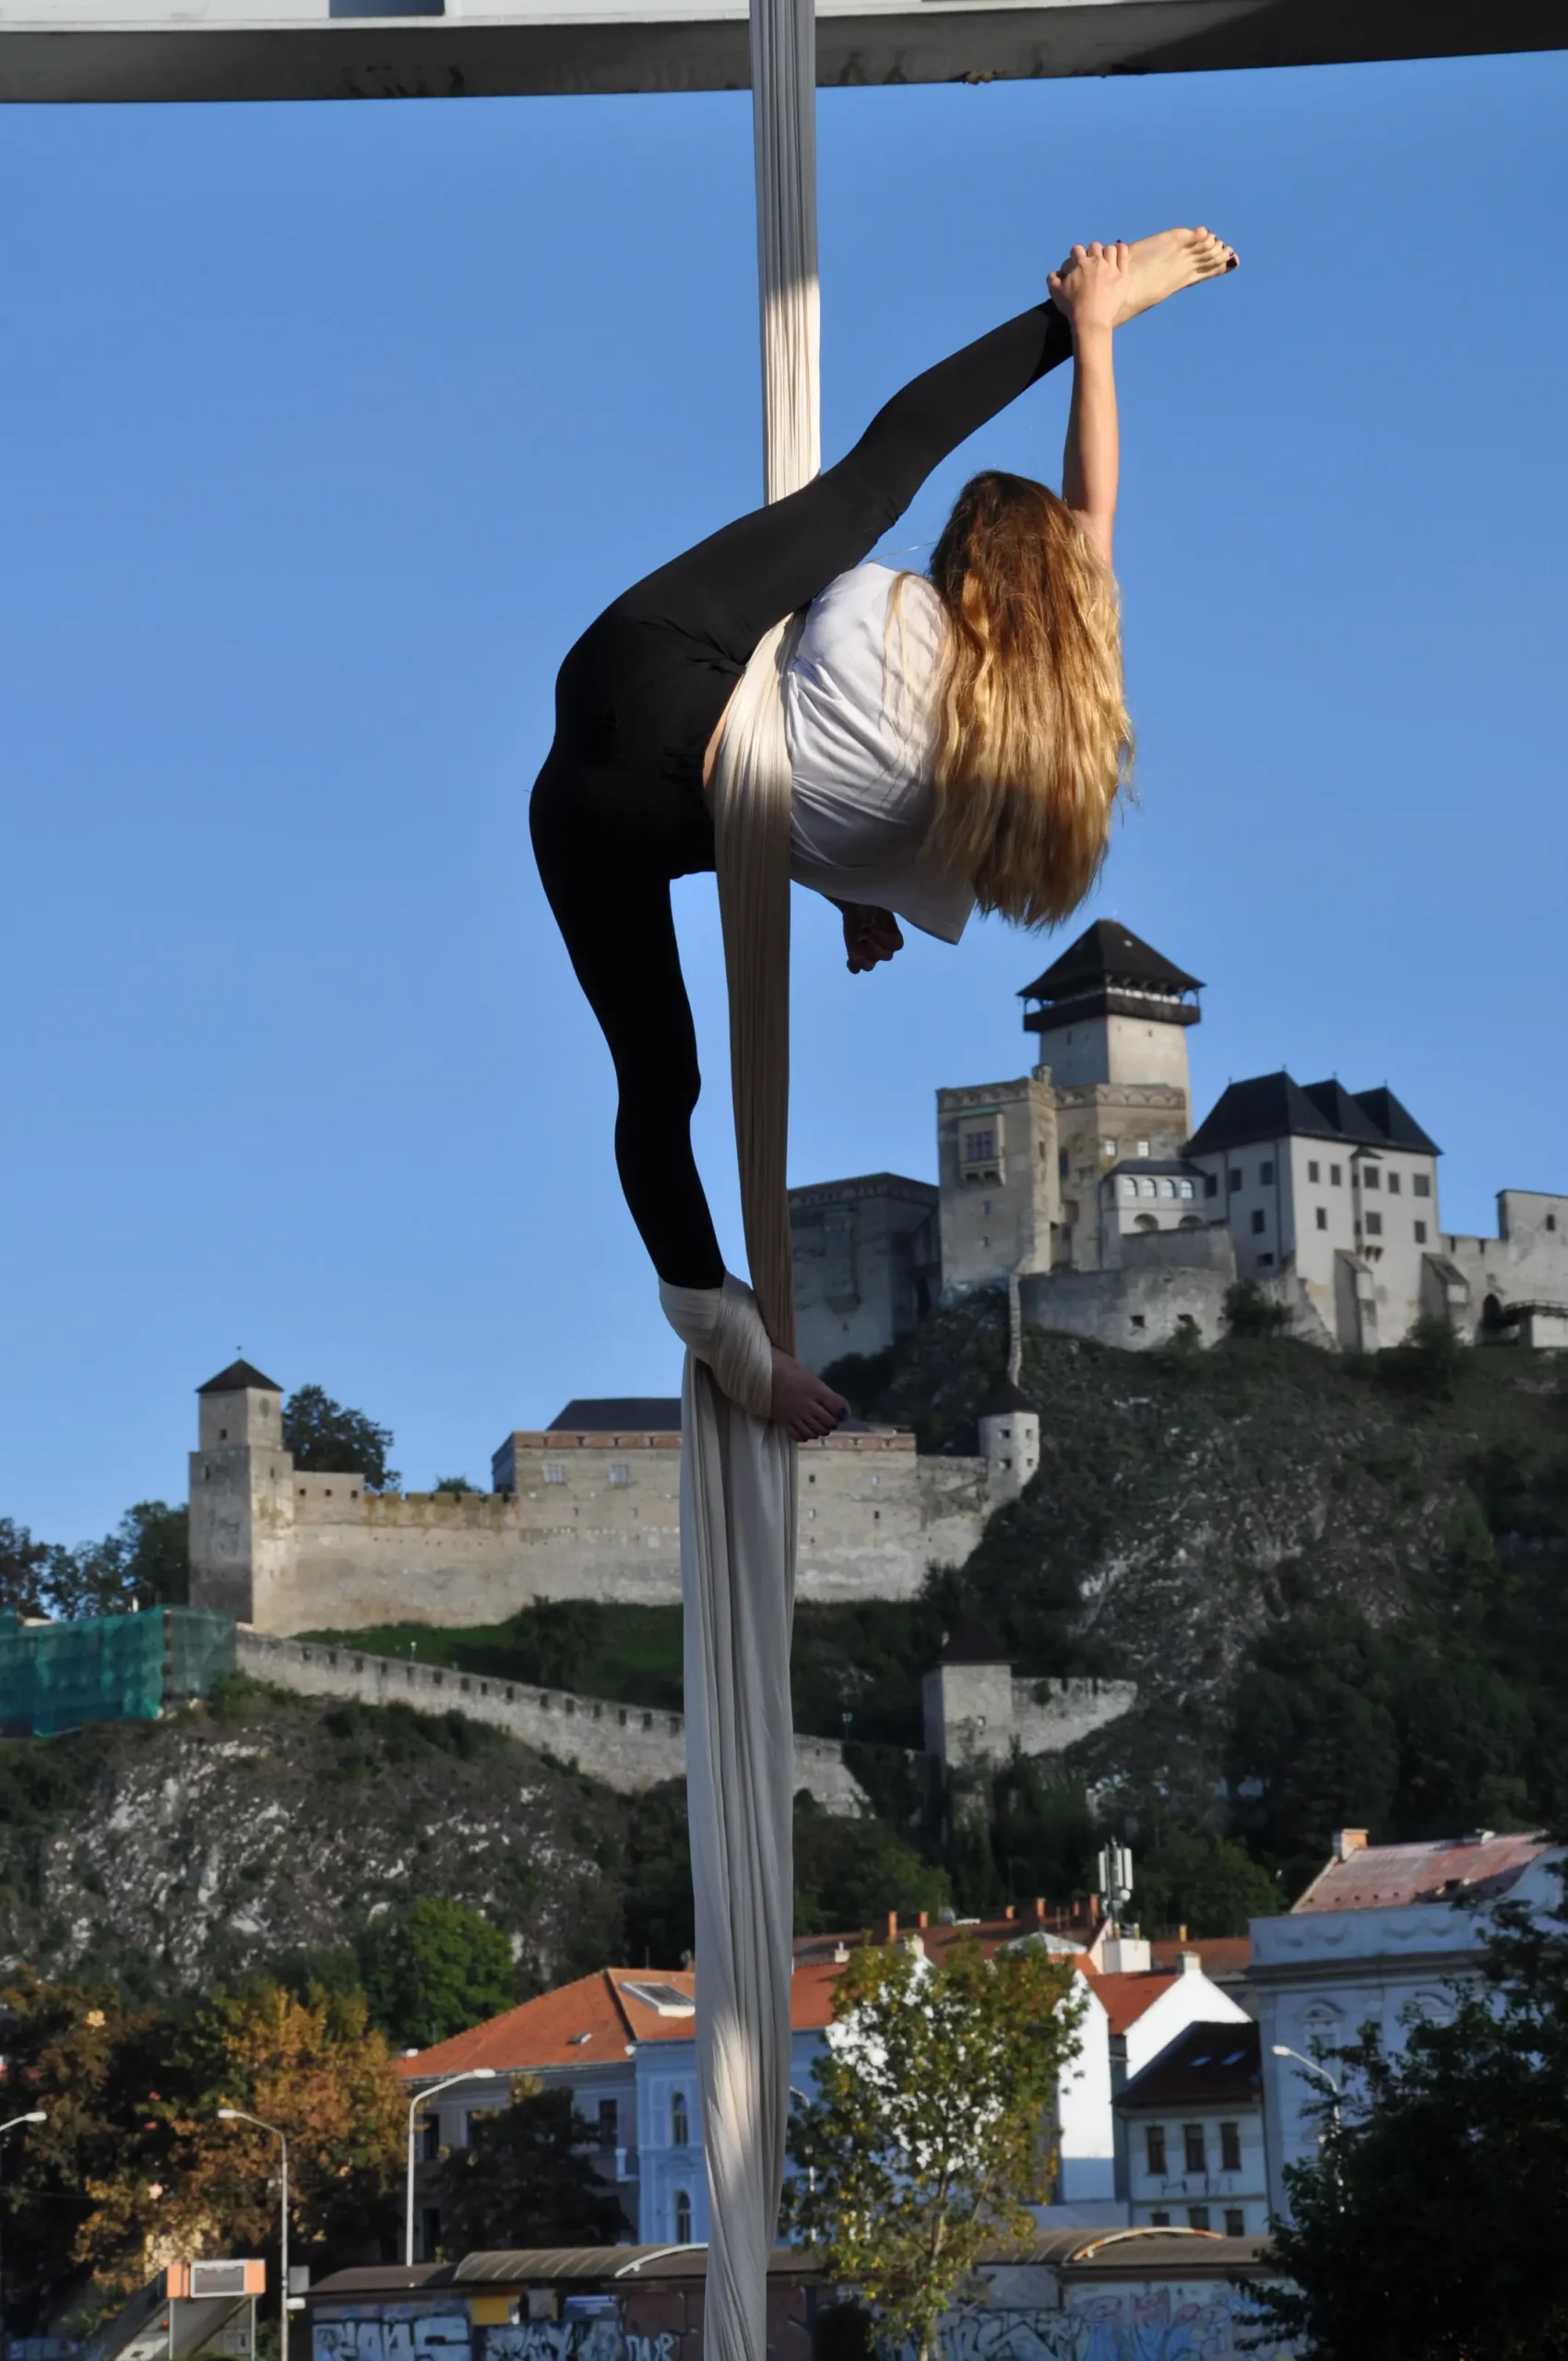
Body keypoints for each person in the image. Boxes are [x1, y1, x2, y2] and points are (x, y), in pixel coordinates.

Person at [530, 228, 1237, 1440]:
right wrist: (853, 892)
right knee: (664, 1081)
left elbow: (1042, 497)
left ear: (969, 576)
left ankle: (1069, 314)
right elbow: (824, 795)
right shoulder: (991, 821)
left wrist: (1089, 324)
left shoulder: (892, 612)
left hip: (639, 668)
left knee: (871, 483)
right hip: (621, 824)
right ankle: (728, 1339)